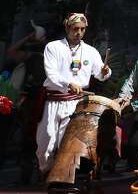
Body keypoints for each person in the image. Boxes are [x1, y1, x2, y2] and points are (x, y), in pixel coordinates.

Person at [36, 13, 111, 174]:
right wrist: (68, 83)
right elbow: (52, 74)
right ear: (67, 28)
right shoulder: (53, 47)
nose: (79, 32)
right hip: (53, 101)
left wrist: (105, 71)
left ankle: (60, 177)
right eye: (75, 28)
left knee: (67, 144)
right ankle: (45, 171)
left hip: (76, 103)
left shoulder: (91, 51)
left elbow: (100, 74)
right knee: (46, 143)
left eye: (82, 29)